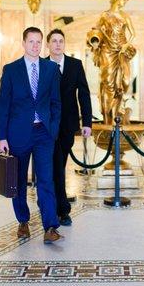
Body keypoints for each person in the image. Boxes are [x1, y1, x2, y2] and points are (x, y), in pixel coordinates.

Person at [0, 27, 63, 244]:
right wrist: (2, 137)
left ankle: (50, 226)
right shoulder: (11, 70)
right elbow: (3, 105)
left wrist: (53, 128)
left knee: (46, 179)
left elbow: (56, 102)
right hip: (18, 134)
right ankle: (23, 221)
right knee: (18, 180)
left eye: (38, 42)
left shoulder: (51, 69)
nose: (35, 46)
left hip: (44, 133)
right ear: (23, 43)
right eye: (31, 42)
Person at [46, 29, 92, 226]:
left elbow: (84, 94)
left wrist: (87, 123)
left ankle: (53, 203)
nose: (57, 44)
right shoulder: (41, 65)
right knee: (56, 166)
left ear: (64, 44)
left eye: (61, 41)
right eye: (54, 41)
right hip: (46, 126)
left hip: (67, 125)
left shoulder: (75, 65)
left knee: (59, 164)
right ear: (48, 44)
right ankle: (62, 210)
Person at [87, 0, 136, 125]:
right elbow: (95, 30)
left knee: (125, 82)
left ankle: (119, 109)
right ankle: (110, 116)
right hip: (107, 51)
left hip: (121, 51)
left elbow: (133, 34)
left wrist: (126, 45)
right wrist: (95, 40)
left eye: (126, 0)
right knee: (108, 82)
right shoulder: (105, 15)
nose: (124, 2)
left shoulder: (125, 15)